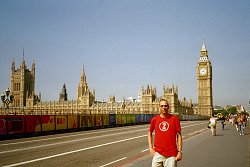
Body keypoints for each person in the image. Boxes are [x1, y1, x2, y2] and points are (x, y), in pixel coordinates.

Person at [148, 99, 182, 167]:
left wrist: (179, 152)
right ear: (159, 107)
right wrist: (151, 148)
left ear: (168, 107)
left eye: (165, 106)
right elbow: (149, 132)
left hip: (171, 155)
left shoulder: (174, 119)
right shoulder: (154, 119)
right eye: (162, 106)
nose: (164, 107)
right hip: (158, 153)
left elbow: (179, 136)